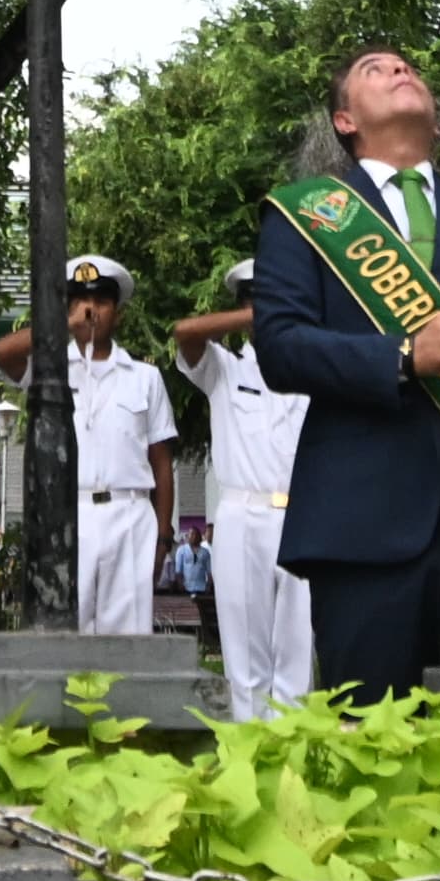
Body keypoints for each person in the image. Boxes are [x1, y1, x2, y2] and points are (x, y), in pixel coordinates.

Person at [250, 48, 440, 699]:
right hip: (363, 527)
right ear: (345, 119)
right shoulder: (306, 212)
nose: (401, 71)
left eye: (409, 68)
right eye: (376, 69)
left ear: (437, 121)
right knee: (369, 755)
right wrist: (404, 356)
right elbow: (280, 346)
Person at [0, 257, 181, 636]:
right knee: (65, 634)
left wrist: (163, 536)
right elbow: (2, 353)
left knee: (127, 641)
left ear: (118, 313)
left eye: (101, 302)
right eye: (78, 302)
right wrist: (65, 326)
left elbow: (161, 461)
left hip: (129, 515)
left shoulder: (145, 377)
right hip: (68, 514)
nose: (91, 311)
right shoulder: (50, 367)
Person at [174, 258, 315, 717]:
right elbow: (186, 332)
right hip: (242, 515)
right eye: (259, 303)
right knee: (245, 657)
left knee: (296, 654)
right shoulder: (226, 369)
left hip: (301, 514)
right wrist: (255, 318)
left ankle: (292, 758)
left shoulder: (312, 369)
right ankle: (247, 754)